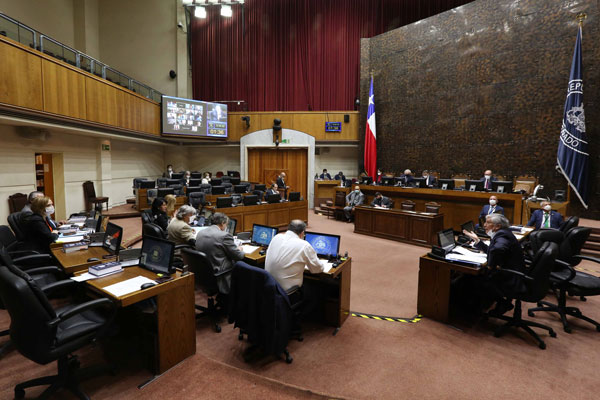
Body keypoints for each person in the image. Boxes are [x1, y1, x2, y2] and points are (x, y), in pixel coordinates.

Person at [462, 214, 526, 315]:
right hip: (515, 272)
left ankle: (500, 303)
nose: (484, 225)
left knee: (470, 278)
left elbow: (497, 249)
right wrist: (477, 240)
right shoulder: (503, 233)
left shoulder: (502, 236)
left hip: (511, 277)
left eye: (488, 223)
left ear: (497, 226)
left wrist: (490, 266)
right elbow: (492, 250)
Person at [265, 220, 325, 313]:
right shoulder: (304, 245)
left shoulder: (276, 237)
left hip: (268, 288)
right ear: (302, 233)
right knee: (317, 289)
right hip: (287, 293)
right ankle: (300, 320)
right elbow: (317, 269)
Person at [195, 213, 244, 295]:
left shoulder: (201, 232)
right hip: (220, 274)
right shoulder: (224, 236)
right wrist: (240, 249)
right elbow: (239, 256)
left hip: (203, 273)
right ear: (222, 223)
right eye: (226, 224)